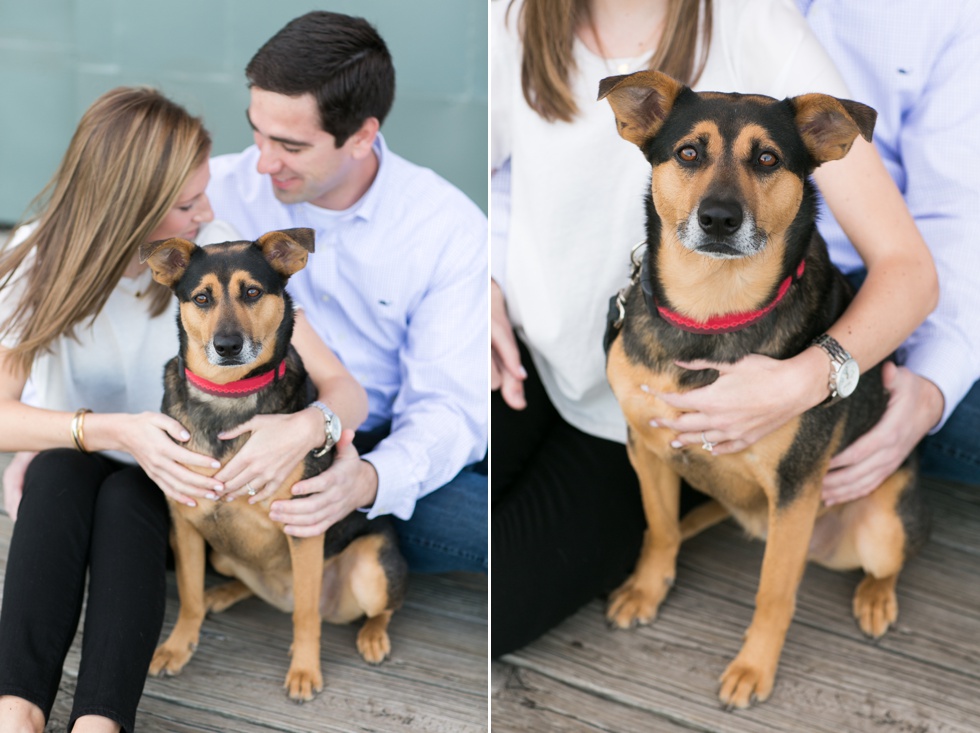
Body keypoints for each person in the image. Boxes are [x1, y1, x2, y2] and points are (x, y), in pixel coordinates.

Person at [491, 0, 938, 657]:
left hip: (724, 440)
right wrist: (482, 283)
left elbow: (912, 272)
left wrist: (803, 379)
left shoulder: (754, 23)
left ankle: (787, 617)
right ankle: (663, 546)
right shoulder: (512, 17)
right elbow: (499, 172)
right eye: (692, 156)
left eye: (762, 164)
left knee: (501, 606)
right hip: (534, 364)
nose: (720, 203)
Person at [0, 87, 367, 733]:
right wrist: (109, 430)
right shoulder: (39, 258)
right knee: (58, 473)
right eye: (186, 202)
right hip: (77, 462)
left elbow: (342, 386)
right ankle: (15, 714)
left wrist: (312, 426)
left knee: (128, 495)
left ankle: (99, 723)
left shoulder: (217, 256)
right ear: (129, 204)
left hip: (179, 483)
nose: (206, 211)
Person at [205, 11, 489, 574]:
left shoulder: (445, 226)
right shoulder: (213, 192)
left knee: (487, 526)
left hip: (378, 437)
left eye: (290, 145)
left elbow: (450, 405)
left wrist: (365, 480)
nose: (262, 161)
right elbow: (65, 247)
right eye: (257, 131)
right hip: (240, 430)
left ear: (362, 135)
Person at [795, 0, 980, 504]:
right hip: (746, 275)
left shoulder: (952, 13)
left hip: (893, 278)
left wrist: (929, 387)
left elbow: (956, 211)